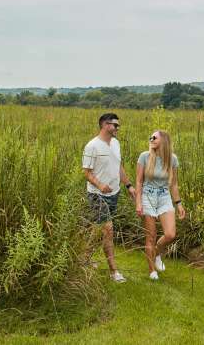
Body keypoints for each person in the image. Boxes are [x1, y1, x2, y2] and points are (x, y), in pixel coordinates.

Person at [82, 113, 136, 283]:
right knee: (108, 229)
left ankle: (85, 258)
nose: (118, 128)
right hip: (97, 195)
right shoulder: (92, 146)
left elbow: (118, 166)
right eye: (115, 125)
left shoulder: (116, 144)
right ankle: (114, 271)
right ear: (105, 125)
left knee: (98, 230)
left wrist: (128, 185)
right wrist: (100, 185)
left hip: (114, 194)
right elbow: (87, 173)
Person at [135, 130, 186, 280]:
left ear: (163, 141)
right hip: (148, 196)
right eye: (150, 137)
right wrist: (138, 202)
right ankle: (152, 271)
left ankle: (156, 254)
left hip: (164, 196)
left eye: (154, 137)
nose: (151, 139)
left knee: (170, 234)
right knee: (150, 237)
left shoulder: (172, 159)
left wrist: (179, 204)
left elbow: (174, 184)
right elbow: (138, 181)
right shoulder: (144, 156)